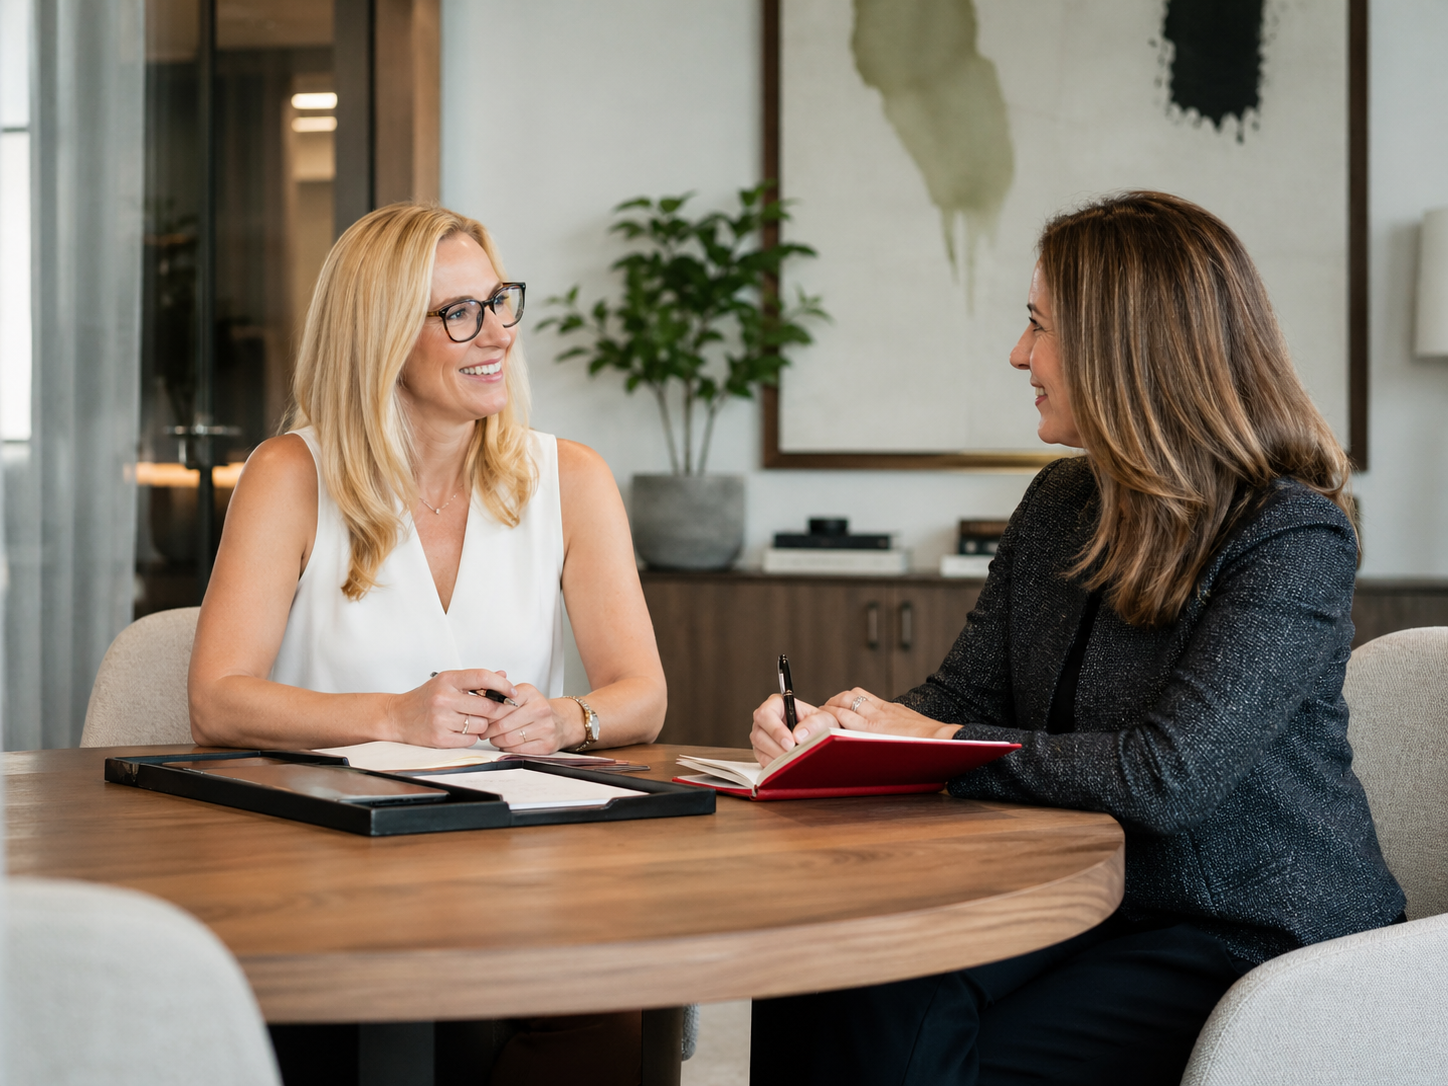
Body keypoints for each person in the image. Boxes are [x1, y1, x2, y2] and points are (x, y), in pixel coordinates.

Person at [748, 191, 1404, 1086]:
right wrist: (842, 734)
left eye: (1038, 326)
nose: (1019, 354)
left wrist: (940, 744)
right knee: (832, 968)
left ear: (1124, 346)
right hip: (1081, 893)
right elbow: (965, 701)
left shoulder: (1288, 537)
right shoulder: (1060, 504)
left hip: (1242, 929)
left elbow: (1168, 777)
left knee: (938, 1055)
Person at [189, 202, 665, 1085]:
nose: (495, 334)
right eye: (457, 313)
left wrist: (564, 719)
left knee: (615, 1002)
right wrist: (395, 717)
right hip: (322, 863)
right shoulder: (291, 476)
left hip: (509, 859)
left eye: (499, 301)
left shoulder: (571, 477)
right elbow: (217, 699)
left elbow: (640, 690)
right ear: (380, 339)